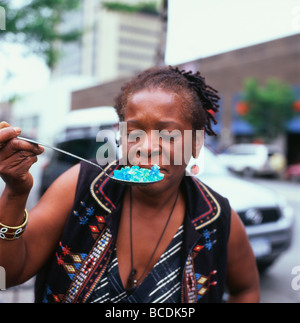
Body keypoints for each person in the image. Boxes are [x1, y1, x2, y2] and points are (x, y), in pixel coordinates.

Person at [0, 66, 260, 303]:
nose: (146, 148)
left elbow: (246, 290)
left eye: (168, 134)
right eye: (133, 132)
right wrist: (15, 192)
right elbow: (9, 274)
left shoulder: (216, 218)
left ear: (196, 142)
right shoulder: (82, 187)